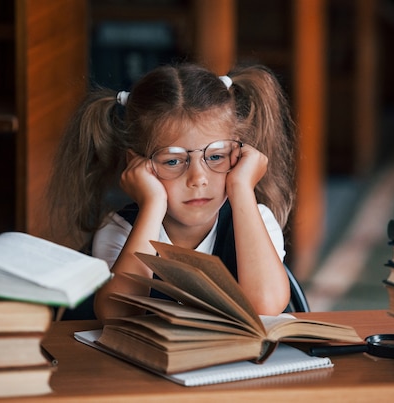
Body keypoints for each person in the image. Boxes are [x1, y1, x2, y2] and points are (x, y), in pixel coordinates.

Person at [47, 63, 296, 320]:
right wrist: (152, 205)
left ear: (239, 156)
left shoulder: (257, 220)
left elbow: (266, 305)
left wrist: (242, 188)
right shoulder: (120, 229)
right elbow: (118, 315)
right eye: (173, 161)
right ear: (138, 165)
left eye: (217, 156)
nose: (198, 178)